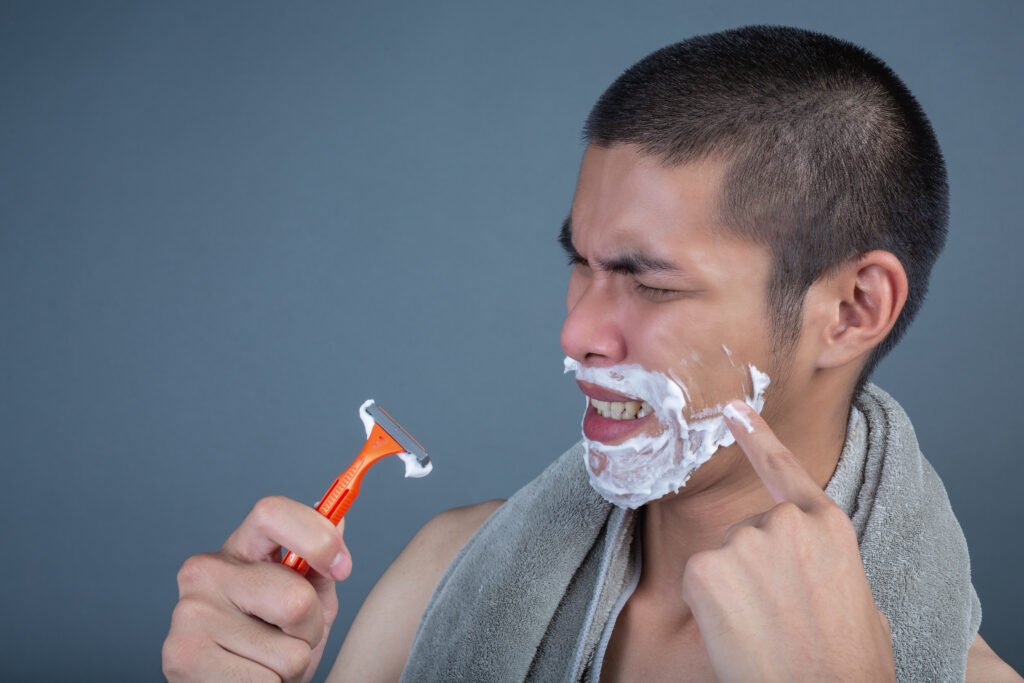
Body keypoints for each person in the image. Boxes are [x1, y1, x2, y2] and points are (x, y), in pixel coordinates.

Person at [162, 26, 1020, 682]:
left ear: (853, 309)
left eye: (652, 283)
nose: (576, 335)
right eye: (582, 263)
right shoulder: (443, 575)